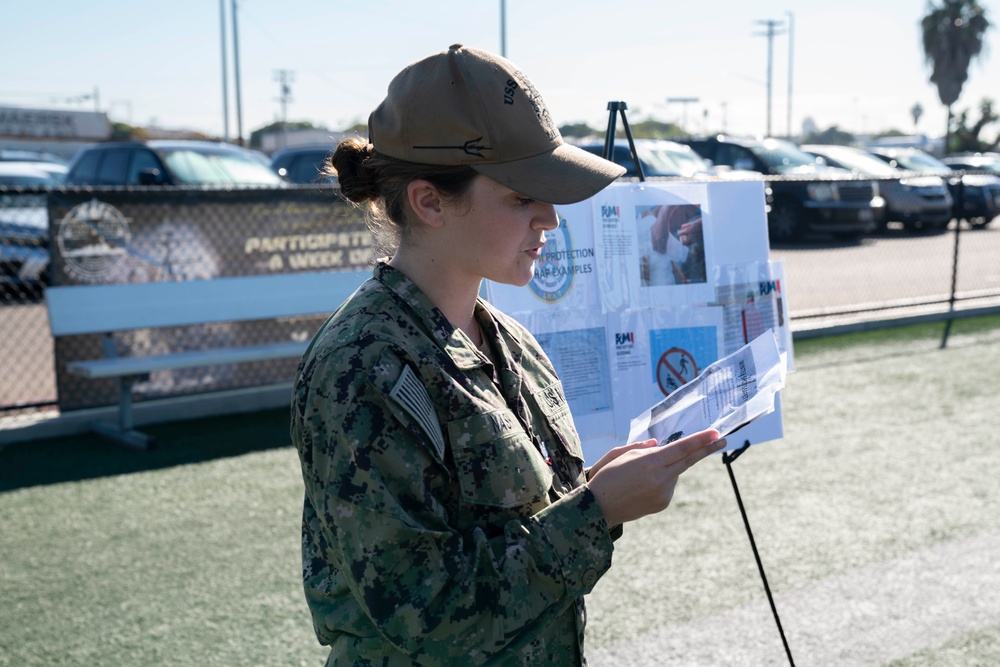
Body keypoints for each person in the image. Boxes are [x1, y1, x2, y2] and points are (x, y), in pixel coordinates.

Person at [290, 44, 726, 666]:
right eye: (521, 197)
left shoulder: (507, 339)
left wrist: (597, 493)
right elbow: (424, 611)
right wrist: (597, 513)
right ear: (430, 202)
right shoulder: (362, 367)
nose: (549, 218)